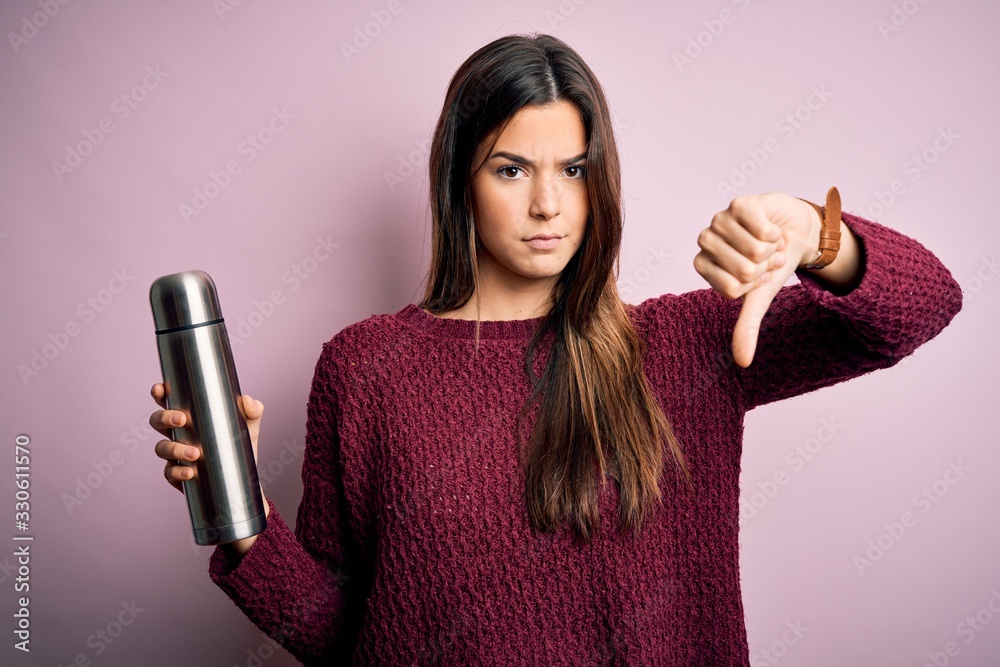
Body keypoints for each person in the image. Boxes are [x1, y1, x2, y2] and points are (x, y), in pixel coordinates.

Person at [149, 33, 962, 665]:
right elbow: (345, 636)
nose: (547, 203)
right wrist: (243, 522)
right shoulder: (364, 370)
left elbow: (923, 305)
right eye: (510, 168)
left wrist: (821, 235)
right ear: (459, 180)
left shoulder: (684, 344)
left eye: (572, 168)